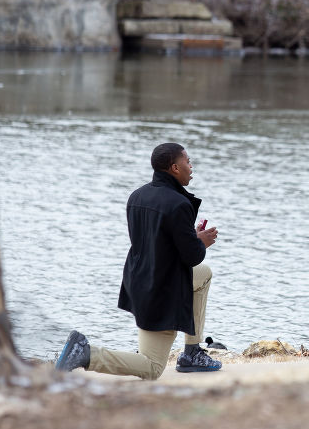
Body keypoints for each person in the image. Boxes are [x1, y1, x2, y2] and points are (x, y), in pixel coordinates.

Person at [55, 143, 223, 378]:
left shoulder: (137, 196)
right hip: (163, 291)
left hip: (138, 281)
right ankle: (87, 353)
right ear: (175, 167)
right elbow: (191, 256)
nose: (191, 166)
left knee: (203, 274)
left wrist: (190, 237)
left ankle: (192, 351)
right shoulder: (179, 204)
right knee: (152, 368)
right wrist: (200, 242)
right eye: (187, 161)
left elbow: (158, 242)